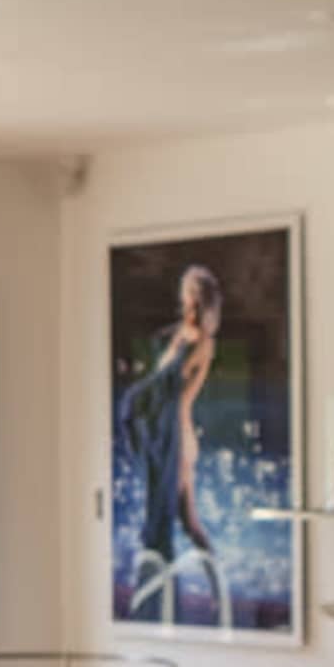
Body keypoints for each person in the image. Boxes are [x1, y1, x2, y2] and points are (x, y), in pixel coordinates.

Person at [116, 263, 227, 625]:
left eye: (194, 293)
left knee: (185, 521)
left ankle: (211, 588)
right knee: (188, 521)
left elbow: (176, 389)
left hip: (177, 438)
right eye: (186, 291)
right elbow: (158, 378)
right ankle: (204, 591)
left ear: (203, 299)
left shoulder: (204, 343)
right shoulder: (178, 334)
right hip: (162, 435)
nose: (188, 299)